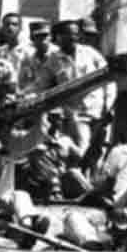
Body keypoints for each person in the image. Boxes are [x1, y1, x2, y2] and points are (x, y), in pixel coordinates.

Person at [46, 20, 115, 155]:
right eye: (68, 34)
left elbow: (109, 80)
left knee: (96, 155)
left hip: (98, 112)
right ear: (58, 37)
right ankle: (62, 142)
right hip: (76, 114)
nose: (73, 37)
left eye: (76, 34)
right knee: (81, 152)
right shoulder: (53, 60)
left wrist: (108, 105)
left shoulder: (90, 53)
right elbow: (42, 83)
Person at [17, 21, 58, 94]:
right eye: (38, 36)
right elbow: (22, 83)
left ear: (51, 37)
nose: (43, 39)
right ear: (32, 38)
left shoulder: (58, 55)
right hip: (36, 97)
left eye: (45, 35)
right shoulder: (28, 59)